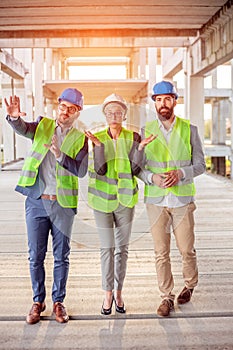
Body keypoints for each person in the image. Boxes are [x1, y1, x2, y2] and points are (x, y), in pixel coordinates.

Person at [4, 88, 88, 324]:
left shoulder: (82, 138)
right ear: (58, 106)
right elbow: (23, 128)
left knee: (62, 256)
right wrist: (13, 117)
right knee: (35, 256)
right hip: (37, 202)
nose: (66, 112)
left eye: (72, 109)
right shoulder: (42, 125)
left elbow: (81, 171)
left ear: (77, 112)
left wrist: (60, 155)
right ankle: (37, 301)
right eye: (63, 106)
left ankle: (58, 303)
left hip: (62, 205)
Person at [138, 80, 206, 317]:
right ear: (154, 103)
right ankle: (166, 297)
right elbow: (137, 167)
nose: (163, 103)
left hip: (182, 201)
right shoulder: (145, 131)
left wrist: (182, 174)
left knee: (186, 249)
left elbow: (201, 165)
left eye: (167, 99)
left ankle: (189, 284)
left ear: (175, 101)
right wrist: (151, 178)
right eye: (158, 99)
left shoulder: (190, 129)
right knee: (161, 252)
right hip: (156, 201)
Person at [85, 93, 155, 315]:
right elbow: (101, 169)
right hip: (102, 201)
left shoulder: (133, 136)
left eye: (118, 112)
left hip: (125, 200)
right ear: (104, 115)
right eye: (109, 112)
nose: (114, 115)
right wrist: (97, 147)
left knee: (122, 249)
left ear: (124, 114)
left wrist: (141, 148)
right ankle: (107, 292)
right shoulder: (96, 137)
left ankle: (119, 292)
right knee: (107, 247)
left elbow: (135, 170)